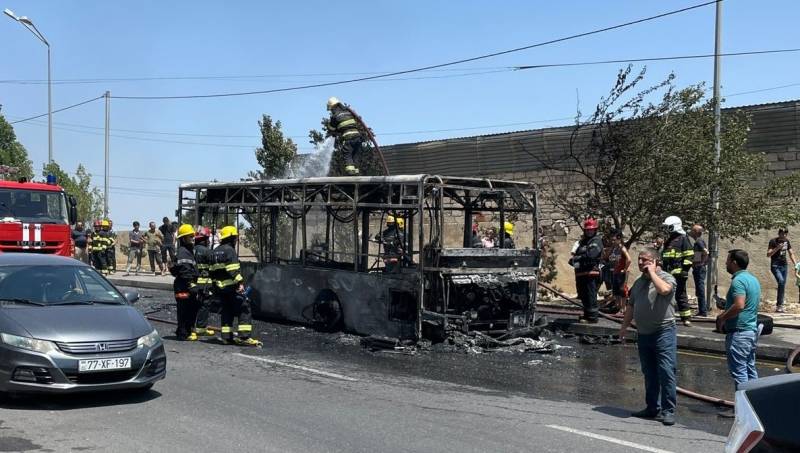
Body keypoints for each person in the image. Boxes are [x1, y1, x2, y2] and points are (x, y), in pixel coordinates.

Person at [618, 248, 678, 426]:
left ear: (655, 262)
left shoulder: (666, 278)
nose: (640, 262)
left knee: (666, 372)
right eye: (639, 259)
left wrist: (652, 273)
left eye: (645, 260)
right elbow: (630, 307)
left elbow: (665, 290)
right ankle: (652, 407)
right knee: (649, 373)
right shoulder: (638, 282)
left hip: (663, 332)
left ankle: (668, 411)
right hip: (643, 334)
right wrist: (623, 328)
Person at [210, 226, 262, 346]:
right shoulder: (230, 250)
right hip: (231, 287)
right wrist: (240, 283)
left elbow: (211, 271)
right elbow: (233, 269)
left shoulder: (215, 251)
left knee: (226, 310)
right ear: (231, 237)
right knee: (244, 307)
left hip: (220, 288)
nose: (236, 240)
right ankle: (243, 337)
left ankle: (226, 337)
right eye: (235, 238)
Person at [717, 249, 761, 389]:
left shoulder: (738, 281)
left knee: (740, 374)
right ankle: (757, 405)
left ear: (734, 263)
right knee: (750, 370)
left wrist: (722, 318)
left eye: (728, 260)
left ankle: (743, 408)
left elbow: (739, 305)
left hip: (739, 333)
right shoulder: (753, 279)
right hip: (750, 332)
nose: (725, 263)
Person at [661, 216, 694, 326]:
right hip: (668, 274)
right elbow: (665, 257)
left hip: (679, 273)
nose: (667, 229)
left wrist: (684, 270)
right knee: (666, 294)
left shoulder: (683, 239)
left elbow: (689, 255)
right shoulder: (669, 241)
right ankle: (666, 316)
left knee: (680, 295)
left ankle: (686, 318)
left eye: (668, 227)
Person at [170, 224, 201, 340]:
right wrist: (191, 284)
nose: (192, 239)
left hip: (184, 285)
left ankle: (183, 331)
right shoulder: (184, 252)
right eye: (190, 237)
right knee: (184, 310)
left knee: (188, 309)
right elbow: (184, 271)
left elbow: (175, 269)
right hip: (183, 286)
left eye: (193, 236)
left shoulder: (187, 251)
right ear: (183, 239)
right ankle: (183, 333)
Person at [570, 218, 603, 323]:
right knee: (583, 296)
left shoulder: (596, 241)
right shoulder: (583, 241)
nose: (589, 231)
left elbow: (591, 255)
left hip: (591, 274)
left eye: (591, 230)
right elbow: (575, 255)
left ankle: (592, 318)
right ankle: (587, 315)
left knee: (590, 295)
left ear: (595, 230)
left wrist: (578, 258)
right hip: (581, 273)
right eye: (587, 230)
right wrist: (575, 259)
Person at [326, 97, 364, 175]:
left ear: (332, 107)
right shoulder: (348, 112)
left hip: (348, 138)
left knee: (347, 155)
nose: (331, 111)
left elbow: (331, 129)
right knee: (355, 156)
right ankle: (357, 174)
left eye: (330, 109)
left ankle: (351, 173)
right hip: (358, 137)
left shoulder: (334, 116)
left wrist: (333, 132)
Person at [193, 227, 215, 338]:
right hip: (204, 284)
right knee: (204, 305)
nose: (209, 241)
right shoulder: (207, 252)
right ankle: (201, 328)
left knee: (193, 305)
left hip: (192, 283)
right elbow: (213, 268)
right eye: (208, 238)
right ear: (204, 239)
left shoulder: (191, 250)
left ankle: (192, 327)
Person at [767, 228, 796, 313]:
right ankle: (780, 305)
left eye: (785, 234)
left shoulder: (787, 241)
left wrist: (795, 264)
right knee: (781, 281)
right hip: (775, 265)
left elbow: (791, 253)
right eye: (783, 233)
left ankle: (780, 306)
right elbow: (768, 254)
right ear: (779, 233)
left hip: (784, 265)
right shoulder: (773, 241)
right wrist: (777, 248)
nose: (784, 235)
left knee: (782, 284)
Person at [608, 229, 632, 314]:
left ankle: (623, 308)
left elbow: (629, 259)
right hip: (615, 272)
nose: (613, 241)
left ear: (619, 239)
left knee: (622, 290)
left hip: (621, 273)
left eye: (614, 240)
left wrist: (624, 269)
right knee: (616, 291)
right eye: (612, 240)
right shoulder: (614, 248)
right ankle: (618, 307)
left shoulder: (622, 248)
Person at [688, 224, 709, 316]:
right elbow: (699, 254)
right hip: (698, 267)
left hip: (699, 268)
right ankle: (701, 310)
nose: (691, 232)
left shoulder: (699, 242)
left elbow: (705, 252)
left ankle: (703, 311)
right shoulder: (698, 241)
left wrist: (700, 263)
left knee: (700, 289)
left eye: (693, 230)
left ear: (697, 232)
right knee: (698, 289)